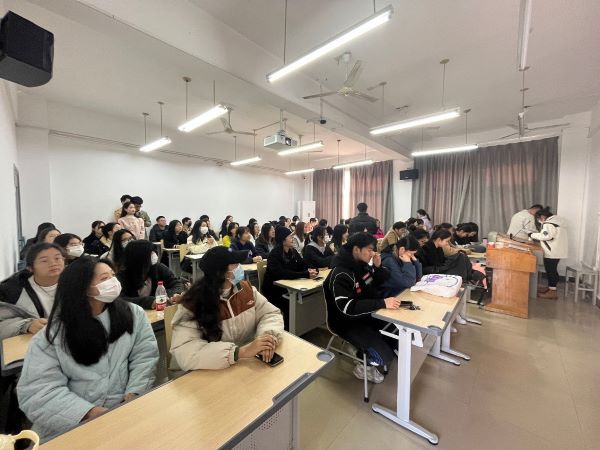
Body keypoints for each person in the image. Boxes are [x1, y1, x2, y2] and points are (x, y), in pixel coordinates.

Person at [16, 257, 158, 442]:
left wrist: (134, 394)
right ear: (83, 287)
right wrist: (89, 413)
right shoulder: (53, 335)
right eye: (104, 278)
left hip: (122, 416)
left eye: (113, 276)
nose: (113, 282)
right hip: (69, 426)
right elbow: (38, 391)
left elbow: (144, 357)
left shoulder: (133, 314)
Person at [170, 246, 284, 371]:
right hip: (212, 372)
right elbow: (186, 351)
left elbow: (270, 314)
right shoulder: (192, 304)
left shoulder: (246, 290)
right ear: (222, 273)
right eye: (236, 264)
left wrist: (266, 338)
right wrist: (238, 352)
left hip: (247, 366)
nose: (240, 267)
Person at [323, 232, 397, 383]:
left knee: (397, 337)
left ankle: (359, 348)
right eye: (370, 250)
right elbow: (347, 308)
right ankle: (360, 361)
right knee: (384, 357)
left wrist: (378, 267)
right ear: (356, 249)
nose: (373, 253)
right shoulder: (341, 273)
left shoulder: (361, 266)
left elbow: (374, 284)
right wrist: (381, 303)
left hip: (366, 314)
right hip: (344, 322)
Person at [0, 243, 65, 339]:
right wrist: (27, 325)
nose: (53, 263)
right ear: (30, 268)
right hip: (30, 342)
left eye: (57, 258)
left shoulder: (77, 284)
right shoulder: (12, 290)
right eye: (44, 260)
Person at [262, 227, 317, 329]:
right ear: (283, 240)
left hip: (289, 286)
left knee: (310, 295)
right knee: (290, 304)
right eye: (290, 237)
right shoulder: (274, 254)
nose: (292, 238)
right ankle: (289, 330)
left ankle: (303, 327)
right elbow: (283, 274)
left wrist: (311, 269)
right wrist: (305, 274)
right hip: (274, 291)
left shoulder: (293, 251)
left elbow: (302, 264)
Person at [118, 240, 184, 309]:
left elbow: (177, 284)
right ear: (139, 257)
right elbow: (119, 299)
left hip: (158, 311)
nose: (154, 255)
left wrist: (170, 295)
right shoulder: (123, 275)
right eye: (151, 253)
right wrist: (149, 301)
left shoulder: (158, 267)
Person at [416, 229, 484, 285]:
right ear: (439, 240)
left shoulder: (439, 247)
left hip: (439, 267)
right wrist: (447, 265)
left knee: (461, 256)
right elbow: (431, 265)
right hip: (435, 270)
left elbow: (442, 260)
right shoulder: (427, 248)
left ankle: (468, 277)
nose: (447, 243)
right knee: (459, 262)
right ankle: (466, 279)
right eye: (447, 241)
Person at [531, 208, 568, 299]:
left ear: (542, 217)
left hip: (552, 252)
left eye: (538, 218)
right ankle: (550, 288)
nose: (539, 221)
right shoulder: (558, 222)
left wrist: (532, 235)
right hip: (557, 251)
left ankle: (552, 292)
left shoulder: (548, 224)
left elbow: (546, 236)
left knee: (550, 271)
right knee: (553, 270)